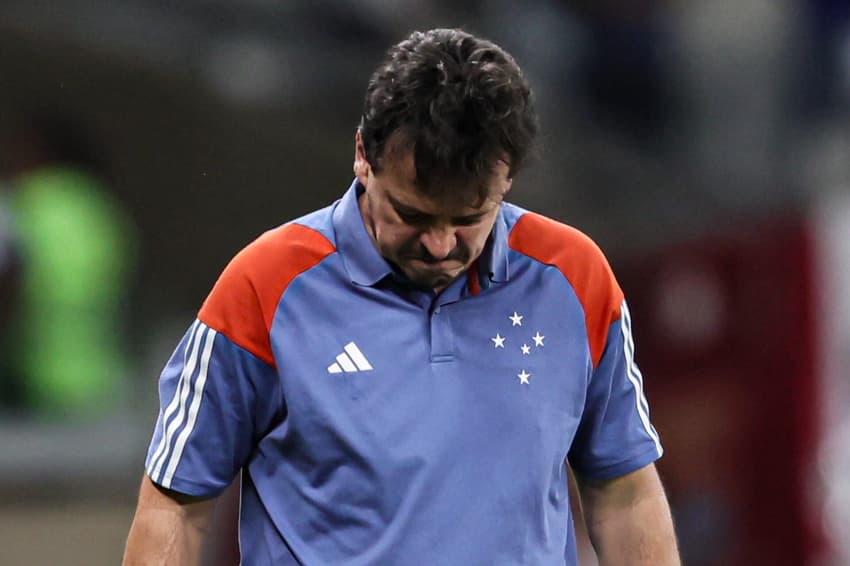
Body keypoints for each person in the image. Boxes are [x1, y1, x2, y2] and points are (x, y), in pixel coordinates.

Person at [123, 28, 679, 565]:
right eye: (411, 214)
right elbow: (175, 506)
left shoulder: (574, 278)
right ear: (363, 155)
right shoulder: (265, 286)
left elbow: (624, 491)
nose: (440, 246)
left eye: (468, 219)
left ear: (507, 179)